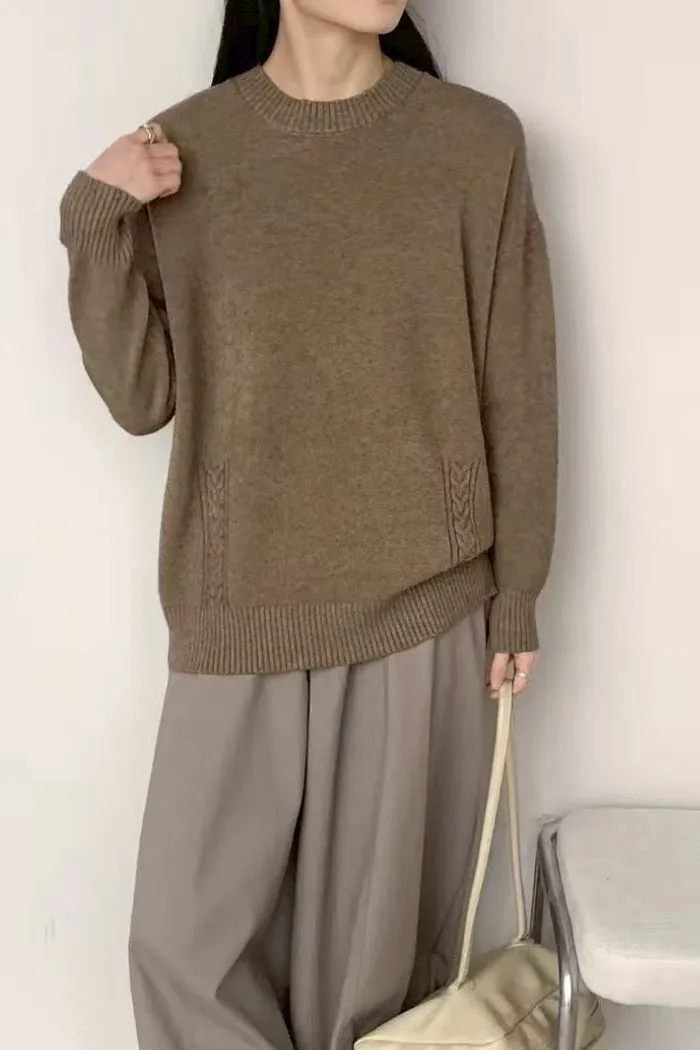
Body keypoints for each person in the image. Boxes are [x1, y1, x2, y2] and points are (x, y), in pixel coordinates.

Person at [58, 2, 557, 1049]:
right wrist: (95, 214)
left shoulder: (473, 141)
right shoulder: (188, 148)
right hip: (238, 606)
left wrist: (518, 591)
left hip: (422, 610)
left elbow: (515, 381)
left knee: (366, 994)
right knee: (180, 952)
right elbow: (143, 399)